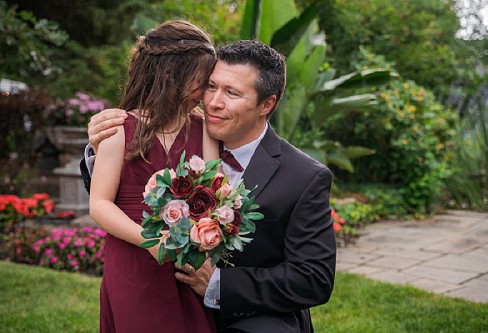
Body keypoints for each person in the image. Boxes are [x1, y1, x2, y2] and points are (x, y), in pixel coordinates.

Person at [82, 40, 336, 333]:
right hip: (159, 293)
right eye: (210, 86)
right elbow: (128, 180)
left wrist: (218, 285)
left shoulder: (303, 177)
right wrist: (96, 148)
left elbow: (313, 279)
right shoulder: (186, 128)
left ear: (267, 104)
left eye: (232, 93)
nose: (213, 102)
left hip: (249, 314)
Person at [87, 20, 218, 333]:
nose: (204, 93)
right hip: (133, 259)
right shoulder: (118, 129)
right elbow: (100, 204)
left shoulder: (205, 131)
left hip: (186, 260)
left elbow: (213, 190)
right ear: (172, 76)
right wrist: (150, 241)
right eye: (201, 82)